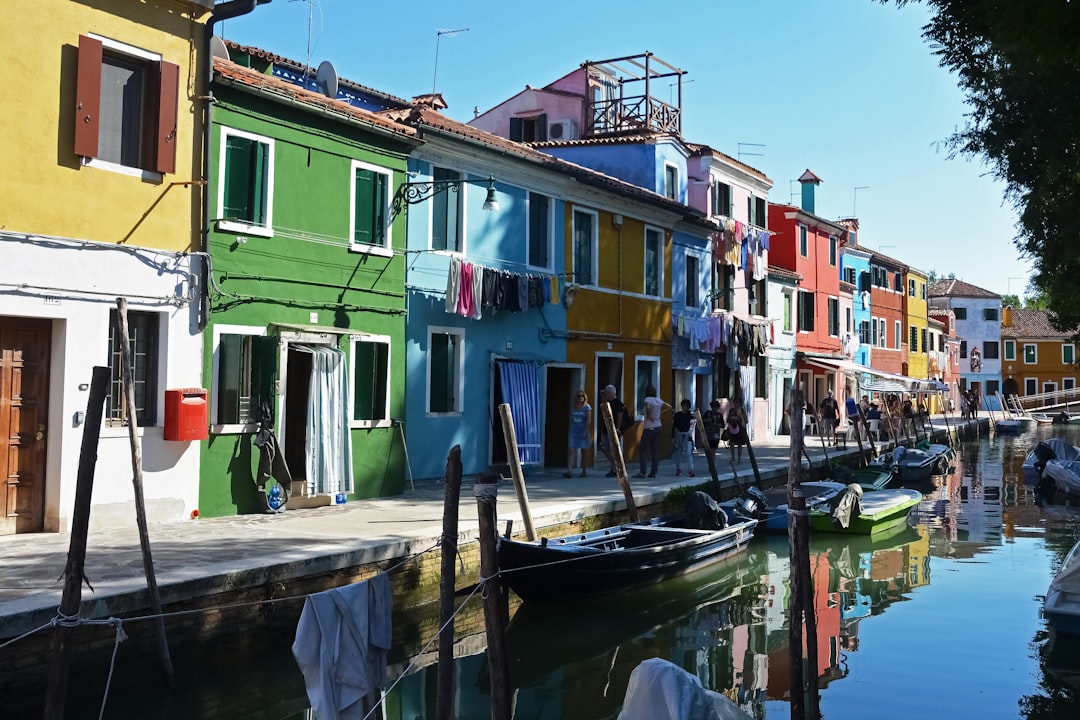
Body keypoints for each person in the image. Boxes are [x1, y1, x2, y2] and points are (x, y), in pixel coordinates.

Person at [635, 385, 670, 478]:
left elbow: (648, 408)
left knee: (643, 450)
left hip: (649, 427)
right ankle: (653, 472)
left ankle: (643, 472)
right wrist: (660, 413)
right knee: (655, 451)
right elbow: (669, 407)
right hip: (658, 426)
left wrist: (650, 416)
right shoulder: (658, 400)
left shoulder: (647, 400)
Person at [598, 384, 629, 477]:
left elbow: (620, 415)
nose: (605, 394)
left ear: (610, 393)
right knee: (604, 448)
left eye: (606, 392)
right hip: (606, 428)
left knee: (613, 450)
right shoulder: (608, 401)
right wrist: (602, 396)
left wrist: (617, 428)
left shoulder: (617, 403)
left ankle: (616, 467)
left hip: (613, 429)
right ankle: (616, 466)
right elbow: (603, 406)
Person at [564, 390, 592, 478]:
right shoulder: (573, 407)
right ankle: (569, 471)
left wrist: (585, 431)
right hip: (573, 430)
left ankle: (584, 470)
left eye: (582, 396)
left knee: (583, 452)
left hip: (583, 430)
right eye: (579, 396)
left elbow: (588, 420)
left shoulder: (587, 407)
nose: (581, 398)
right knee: (571, 450)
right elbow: (571, 419)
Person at [671, 398, 696, 477]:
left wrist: (689, 433)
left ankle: (691, 469)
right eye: (683, 405)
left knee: (688, 453)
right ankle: (678, 469)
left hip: (687, 435)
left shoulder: (691, 415)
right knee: (678, 453)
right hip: (679, 435)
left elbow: (692, 426)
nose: (684, 407)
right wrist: (672, 437)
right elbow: (674, 426)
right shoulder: (678, 415)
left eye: (686, 406)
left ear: (688, 407)